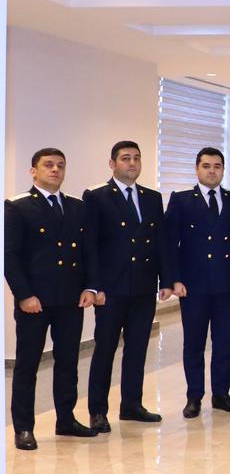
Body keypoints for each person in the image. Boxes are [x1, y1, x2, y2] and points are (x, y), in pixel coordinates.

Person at [5, 148, 99, 450]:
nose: (55, 170)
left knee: (68, 361)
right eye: (48, 165)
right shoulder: (18, 206)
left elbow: (87, 251)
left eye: (60, 165)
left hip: (70, 298)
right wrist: (24, 295)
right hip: (35, 300)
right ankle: (23, 427)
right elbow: (10, 256)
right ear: (33, 171)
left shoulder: (76, 206)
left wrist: (90, 287)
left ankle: (66, 419)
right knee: (28, 364)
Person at [83, 140, 173, 431]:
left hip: (143, 286)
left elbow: (161, 241)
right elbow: (90, 246)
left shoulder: (151, 197)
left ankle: (132, 405)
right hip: (111, 289)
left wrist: (166, 280)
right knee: (105, 350)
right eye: (125, 158)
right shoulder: (96, 196)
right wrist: (94, 286)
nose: (132, 163)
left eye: (136, 158)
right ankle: (98, 411)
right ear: (113, 164)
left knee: (137, 349)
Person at [167, 147, 230, 418]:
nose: (212, 171)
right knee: (194, 344)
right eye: (206, 166)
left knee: (224, 343)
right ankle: (194, 397)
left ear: (223, 169)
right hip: (193, 284)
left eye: (217, 166)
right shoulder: (181, 200)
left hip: (227, 283)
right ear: (197, 169)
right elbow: (170, 242)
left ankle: (221, 394)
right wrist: (174, 279)